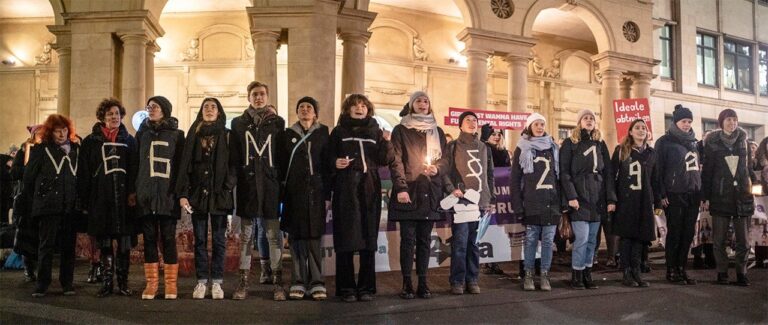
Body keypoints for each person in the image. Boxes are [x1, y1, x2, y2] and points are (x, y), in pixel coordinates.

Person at [327, 94, 393, 302]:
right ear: (347, 109)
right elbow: (327, 156)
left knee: (368, 239)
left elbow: (385, 160)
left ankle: (366, 288)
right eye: (354, 105)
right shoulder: (338, 131)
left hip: (369, 189)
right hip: (345, 189)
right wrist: (334, 162)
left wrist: (386, 143)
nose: (359, 108)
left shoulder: (376, 131)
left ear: (369, 110)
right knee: (345, 239)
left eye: (363, 105)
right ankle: (346, 288)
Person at [229, 81, 286, 300]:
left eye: (262, 94)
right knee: (245, 236)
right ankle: (242, 282)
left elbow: (281, 155)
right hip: (247, 186)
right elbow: (234, 156)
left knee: (273, 235)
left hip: (270, 186)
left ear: (268, 96)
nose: (259, 97)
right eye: (254, 94)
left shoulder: (278, 123)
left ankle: (278, 282)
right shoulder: (238, 124)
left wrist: (279, 182)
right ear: (248, 97)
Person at [176, 97, 236, 300]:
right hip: (197, 195)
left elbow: (233, 165)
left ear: (219, 112)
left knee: (219, 240)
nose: (209, 109)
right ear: (200, 111)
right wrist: (183, 194)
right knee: (199, 240)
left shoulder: (227, 135)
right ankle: (201, 282)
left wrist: (227, 186)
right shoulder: (192, 135)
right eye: (206, 107)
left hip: (220, 195)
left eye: (213, 107)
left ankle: (217, 282)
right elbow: (184, 166)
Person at [388, 91, 446, 299]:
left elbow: (444, 160)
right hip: (409, 192)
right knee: (408, 240)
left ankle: (423, 281)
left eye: (426, 101)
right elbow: (396, 161)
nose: (423, 104)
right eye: (419, 101)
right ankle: (406, 282)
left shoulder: (437, 131)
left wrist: (436, 170)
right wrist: (401, 188)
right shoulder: (401, 129)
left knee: (424, 240)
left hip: (429, 193)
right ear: (412, 105)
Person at [79, 98, 139, 297]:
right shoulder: (90, 142)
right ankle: (106, 283)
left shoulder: (130, 141)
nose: (114, 117)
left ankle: (122, 283)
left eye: (117, 114)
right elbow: (84, 173)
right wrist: (85, 200)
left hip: (124, 201)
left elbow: (134, 169)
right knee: (104, 243)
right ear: (102, 117)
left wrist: (132, 193)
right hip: (100, 199)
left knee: (124, 244)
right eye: (110, 114)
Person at [20, 114, 80, 297]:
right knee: (46, 246)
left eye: (64, 130)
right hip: (48, 205)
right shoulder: (41, 150)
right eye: (57, 130)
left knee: (69, 247)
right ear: (51, 132)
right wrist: (39, 197)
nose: (61, 134)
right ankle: (42, 284)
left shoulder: (76, 150)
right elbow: (28, 177)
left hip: (70, 205)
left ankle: (67, 284)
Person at [277, 96, 330, 301]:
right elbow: (282, 165)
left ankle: (317, 281)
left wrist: (327, 195)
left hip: (316, 193)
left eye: (309, 107)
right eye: (301, 107)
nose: (305, 110)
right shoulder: (286, 135)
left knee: (314, 239)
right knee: (297, 239)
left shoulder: (324, 133)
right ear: (297, 112)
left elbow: (327, 166)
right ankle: (298, 281)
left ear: (315, 112)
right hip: (294, 194)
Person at [559, 109, 616, 290]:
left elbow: (608, 173)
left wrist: (610, 199)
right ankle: (576, 274)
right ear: (579, 122)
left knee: (593, 240)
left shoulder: (600, 144)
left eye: (592, 118)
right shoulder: (570, 143)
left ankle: (587, 273)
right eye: (585, 118)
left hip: (597, 198)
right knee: (582, 238)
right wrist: (571, 196)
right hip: (579, 198)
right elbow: (564, 172)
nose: (589, 120)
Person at [440, 111, 495, 295]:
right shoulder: (453, 146)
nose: (472, 123)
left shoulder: (483, 147)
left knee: (474, 244)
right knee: (460, 243)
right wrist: (450, 189)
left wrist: (490, 199)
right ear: (460, 125)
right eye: (468, 120)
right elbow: (445, 170)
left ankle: (472, 279)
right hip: (461, 203)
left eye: (475, 120)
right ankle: (457, 281)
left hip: (480, 203)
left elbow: (489, 174)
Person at [135, 96, 185, 300]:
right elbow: (135, 164)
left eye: (154, 106)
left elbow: (181, 167)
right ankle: (152, 284)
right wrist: (135, 191)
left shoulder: (177, 135)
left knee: (168, 238)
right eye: (149, 107)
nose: (151, 109)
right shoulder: (142, 134)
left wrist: (180, 193)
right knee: (148, 239)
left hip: (167, 196)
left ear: (165, 109)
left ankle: (171, 285)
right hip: (145, 195)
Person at [702, 109, 757, 286]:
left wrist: (753, 186)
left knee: (744, 240)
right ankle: (722, 272)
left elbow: (748, 167)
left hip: (743, 195)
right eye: (728, 119)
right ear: (721, 122)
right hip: (720, 195)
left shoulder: (744, 141)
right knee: (719, 239)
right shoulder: (711, 142)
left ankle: (742, 272)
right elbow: (708, 170)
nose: (732, 123)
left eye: (734, 119)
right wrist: (706, 195)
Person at [510, 113, 562, 291]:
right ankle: (529, 275)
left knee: (548, 241)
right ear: (529, 126)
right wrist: (518, 205)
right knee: (531, 240)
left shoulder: (552, 147)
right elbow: (515, 179)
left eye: (542, 124)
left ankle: (545, 275)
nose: (540, 127)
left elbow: (558, 176)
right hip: (531, 201)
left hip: (551, 201)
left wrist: (561, 202)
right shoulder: (522, 147)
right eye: (536, 124)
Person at [654, 104, 701, 285]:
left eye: (689, 121)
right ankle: (671, 269)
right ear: (675, 122)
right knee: (675, 233)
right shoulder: (664, 142)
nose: (687, 124)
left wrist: (700, 190)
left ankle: (682, 268)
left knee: (688, 234)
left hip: (693, 194)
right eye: (683, 121)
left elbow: (698, 169)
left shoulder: (694, 143)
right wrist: (661, 193)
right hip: (674, 194)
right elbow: (658, 171)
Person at [611, 119, 660, 288]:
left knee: (640, 238)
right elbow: (611, 177)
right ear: (630, 132)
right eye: (637, 128)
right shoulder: (621, 150)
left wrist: (658, 202)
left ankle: (636, 271)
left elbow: (656, 180)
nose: (641, 131)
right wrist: (612, 199)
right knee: (626, 237)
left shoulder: (651, 153)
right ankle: (626, 272)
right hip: (626, 200)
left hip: (644, 200)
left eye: (643, 128)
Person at [10, 125, 41, 282]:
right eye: (39, 133)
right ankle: (29, 268)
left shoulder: (46, 149)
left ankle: (39, 267)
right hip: (27, 199)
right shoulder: (24, 150)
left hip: (41, 199)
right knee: (26, 235)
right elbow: (15, 172)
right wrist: (28, 171)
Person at [480, 124, 509, 276]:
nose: (497, 136)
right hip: (487, 194)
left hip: (502, 195)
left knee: (497, 226)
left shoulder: (503, 152)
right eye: (494, 134)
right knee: (486, 225)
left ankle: (495, 260)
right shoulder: (483, 149)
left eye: (499, 134)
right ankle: (485, 260)